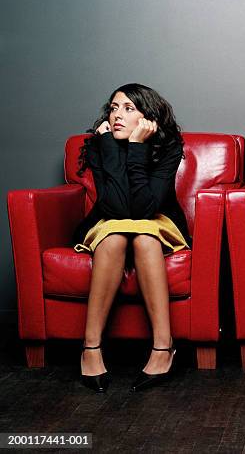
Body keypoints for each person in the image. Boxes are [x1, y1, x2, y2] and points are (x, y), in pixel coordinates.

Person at [74, 83, 191, 393]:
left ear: (148, 117)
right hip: (108, 221)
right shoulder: (102, 144)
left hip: (156, 221)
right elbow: (114, 207)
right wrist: (110, 146)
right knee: (113, 237)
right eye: (114, 108)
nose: (117, 116)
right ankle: (90, 347)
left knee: (143, 237)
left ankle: (163, 348)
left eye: (128, 109)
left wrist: (137, 147)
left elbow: (143, 210)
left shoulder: (168, 146)